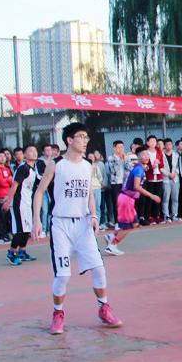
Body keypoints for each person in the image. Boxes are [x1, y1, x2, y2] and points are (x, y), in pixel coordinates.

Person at [33, 122, 122, 335]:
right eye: (81, 137)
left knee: (99, 268)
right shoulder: (56, 165)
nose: (85, 141)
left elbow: (89, 193)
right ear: (69, 140)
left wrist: (94, 215)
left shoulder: (87, 165)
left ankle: (103, 308)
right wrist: (36, 220)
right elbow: (39, 192)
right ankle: (58, 313)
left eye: (86, 137)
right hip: (61, 224)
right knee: (63, 275)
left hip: (83, 224)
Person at [104, 145, 161, 257]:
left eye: (147, 154)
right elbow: (136, 186)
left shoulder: (139, 167)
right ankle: (112, 246)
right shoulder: (139, 169)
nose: (146, 156)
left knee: (134, 223)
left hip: (127, 199)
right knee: (128, 226)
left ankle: (111, 236)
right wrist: (152, 196)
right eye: (143, 154)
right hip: (126, 199)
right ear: (138, 157)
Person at [3, 145, 40, 265]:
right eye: (30, 151)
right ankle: (11, 253)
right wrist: (8, 201)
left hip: (27, 203)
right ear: (25, 155)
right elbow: (14, 185)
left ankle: (22, 251)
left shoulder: (33, 169)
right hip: (19, 204)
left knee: (27, 229)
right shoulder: (23, 168)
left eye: (35, 151)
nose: (34, 153)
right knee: (20, 230)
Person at [161, 138, 181, 222]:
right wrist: (169, 174)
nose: (168, 146)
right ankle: (166, 215)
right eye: (167, 145)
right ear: (164, 146)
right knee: (166, 198)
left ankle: (174, 215)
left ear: (172, 145)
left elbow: (178, 166)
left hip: (175, 179)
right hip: (165, 179)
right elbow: (160, 167)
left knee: (175, 198)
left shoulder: (176, 154)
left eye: (170, 144)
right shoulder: (161, 155)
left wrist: (175, 173)